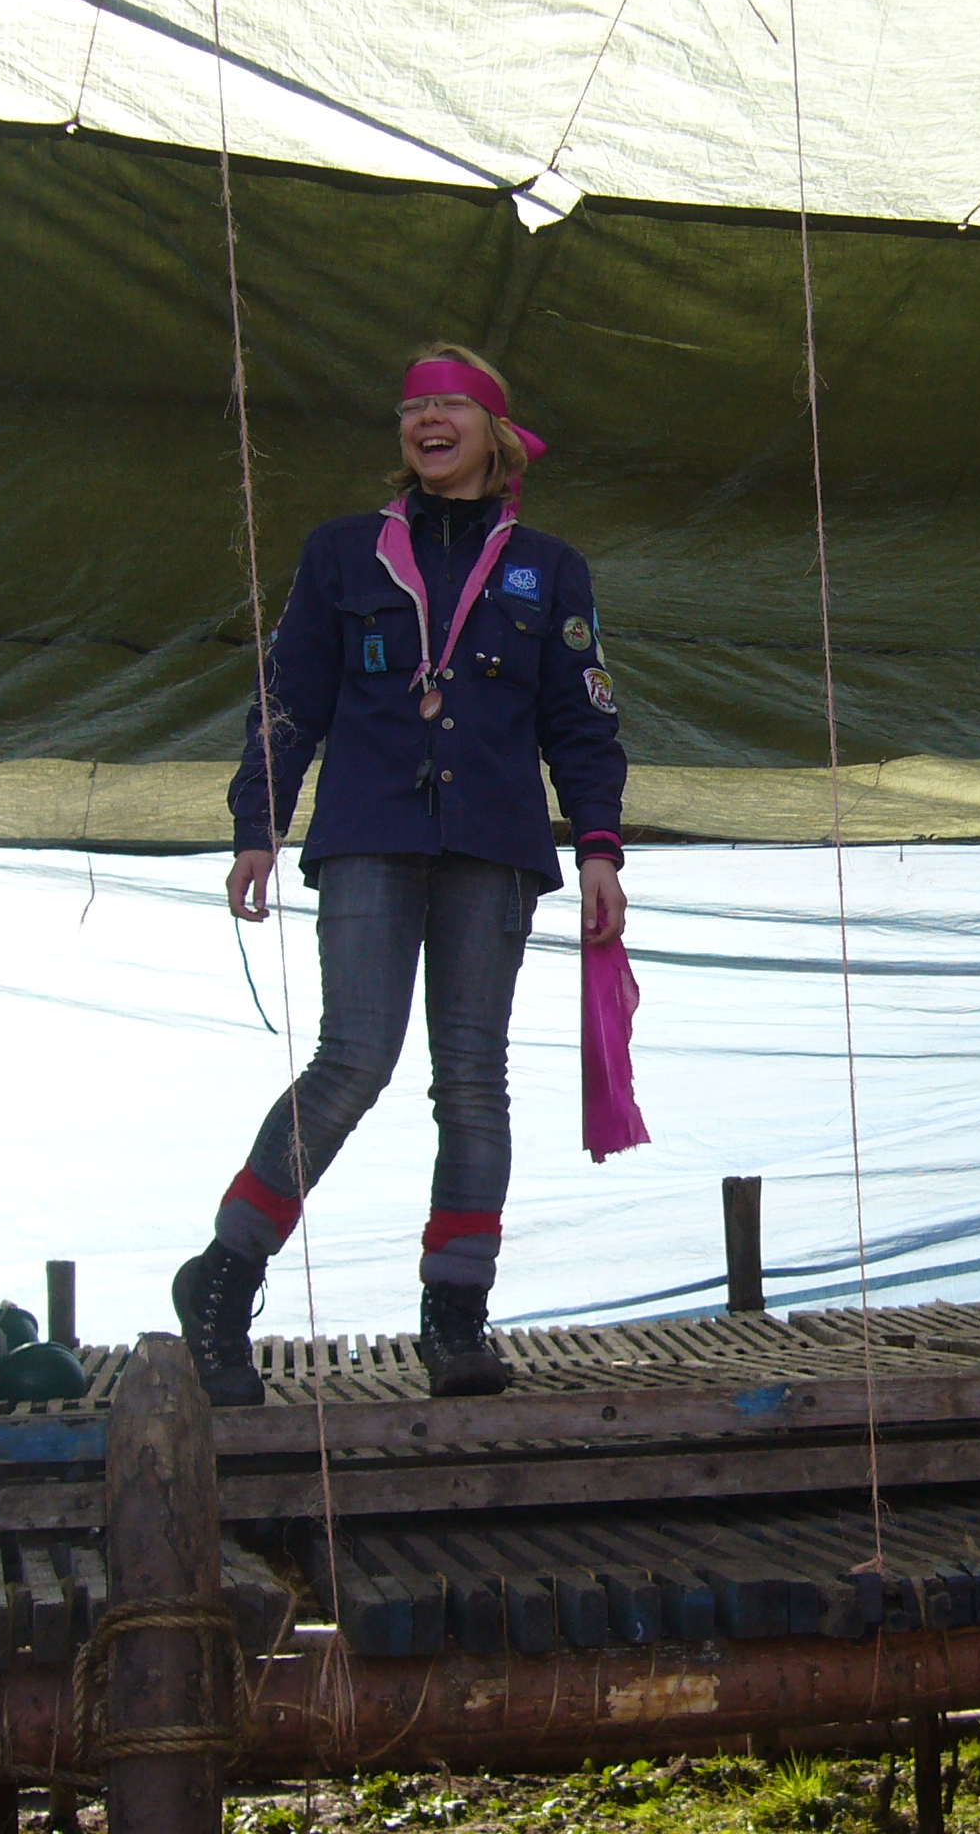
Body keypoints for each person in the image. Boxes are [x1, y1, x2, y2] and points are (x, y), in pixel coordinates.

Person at [172, 343, 628, 1406]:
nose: (428, 420)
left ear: (494, 432)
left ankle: (456, 1316)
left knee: (473, 1080)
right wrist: (257, 825)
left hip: (495, 846)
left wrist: (600, 847)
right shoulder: (343, 553)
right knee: (353, 1061)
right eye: (414, 406)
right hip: (370, 833)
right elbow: (289, 697)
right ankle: (224, 1278)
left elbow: (582, 721)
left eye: (451, 405)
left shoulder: (549, 567)